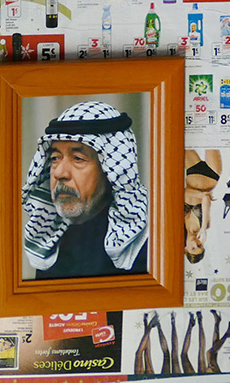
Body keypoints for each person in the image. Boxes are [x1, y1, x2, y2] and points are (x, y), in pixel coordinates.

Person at [22, 100, 149, 279]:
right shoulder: (50, 241)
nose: (59, 173)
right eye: (55, 158)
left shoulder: (145, 242)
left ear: (111, 170)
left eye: (78, 158)